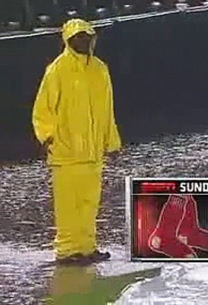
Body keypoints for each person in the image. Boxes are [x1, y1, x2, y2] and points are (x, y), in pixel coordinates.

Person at [33, 19, 122, 265]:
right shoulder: (57, 69)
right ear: (68, 40)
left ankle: (87, 247)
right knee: (68, 205)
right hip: (66, 151)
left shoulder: (99, 69)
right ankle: (67, 251)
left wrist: (111, 142)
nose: (83, 41)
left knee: (89, 203)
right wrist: (47, 135)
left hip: (93, 152)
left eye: (86, 36)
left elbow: (106, 110)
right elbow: (44, 107)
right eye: (78, 37)